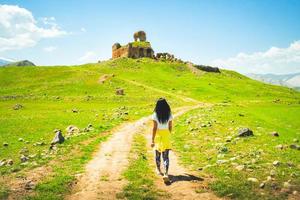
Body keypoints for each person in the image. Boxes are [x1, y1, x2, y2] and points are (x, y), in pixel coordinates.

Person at [151, 98, 173, 182]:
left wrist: (152, 140)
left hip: (158, 135)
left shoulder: (155, 115)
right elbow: (170, 126)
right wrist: (168, 134)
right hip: (166, 135)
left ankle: (158, 169)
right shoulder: (169, 114)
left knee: (157, 154)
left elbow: (154, 128)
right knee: (166, 156)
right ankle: (166, 173)